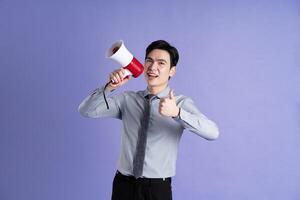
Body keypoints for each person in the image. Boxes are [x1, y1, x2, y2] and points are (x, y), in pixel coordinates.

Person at [78, 40, 219, 200]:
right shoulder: (127, 99)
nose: (152, 67)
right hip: (123, 185)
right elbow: (86, 110)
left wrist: (177, 113)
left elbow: (213, 132)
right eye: (149, 61)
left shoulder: (179, 103)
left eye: (161, 63)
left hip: (157, 189)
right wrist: (109, 87)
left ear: (172, 71)